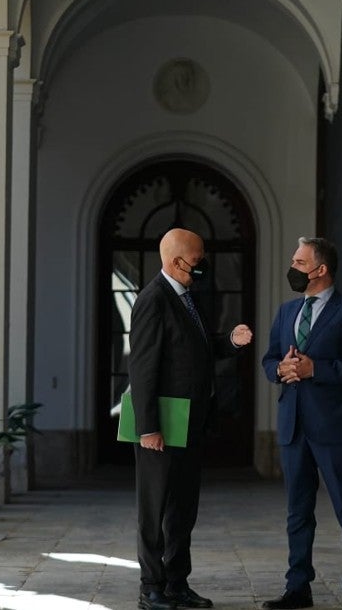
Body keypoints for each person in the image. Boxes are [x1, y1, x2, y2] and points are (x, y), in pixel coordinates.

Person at [130, 227, 253, 610]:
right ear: (175, 261)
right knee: (154, 509)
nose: (203, 267)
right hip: (162, 425)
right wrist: (147, 427)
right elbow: (143, 368)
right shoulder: (154, 299)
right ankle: (151, 587)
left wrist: (230, 342)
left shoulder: (186, 296)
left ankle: (177, 584)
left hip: (190, 421)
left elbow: (196, 349)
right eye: (198, 261)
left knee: (183, 508)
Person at [261, 237, 342, 610]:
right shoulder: (286, 311)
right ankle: (298, 588)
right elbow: (269, 360)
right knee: (297, 511)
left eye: (299, 261)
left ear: (320, 269)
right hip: (293, 426)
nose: (292, 268)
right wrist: (281, 368)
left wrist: (315, 369)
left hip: (335, 428)